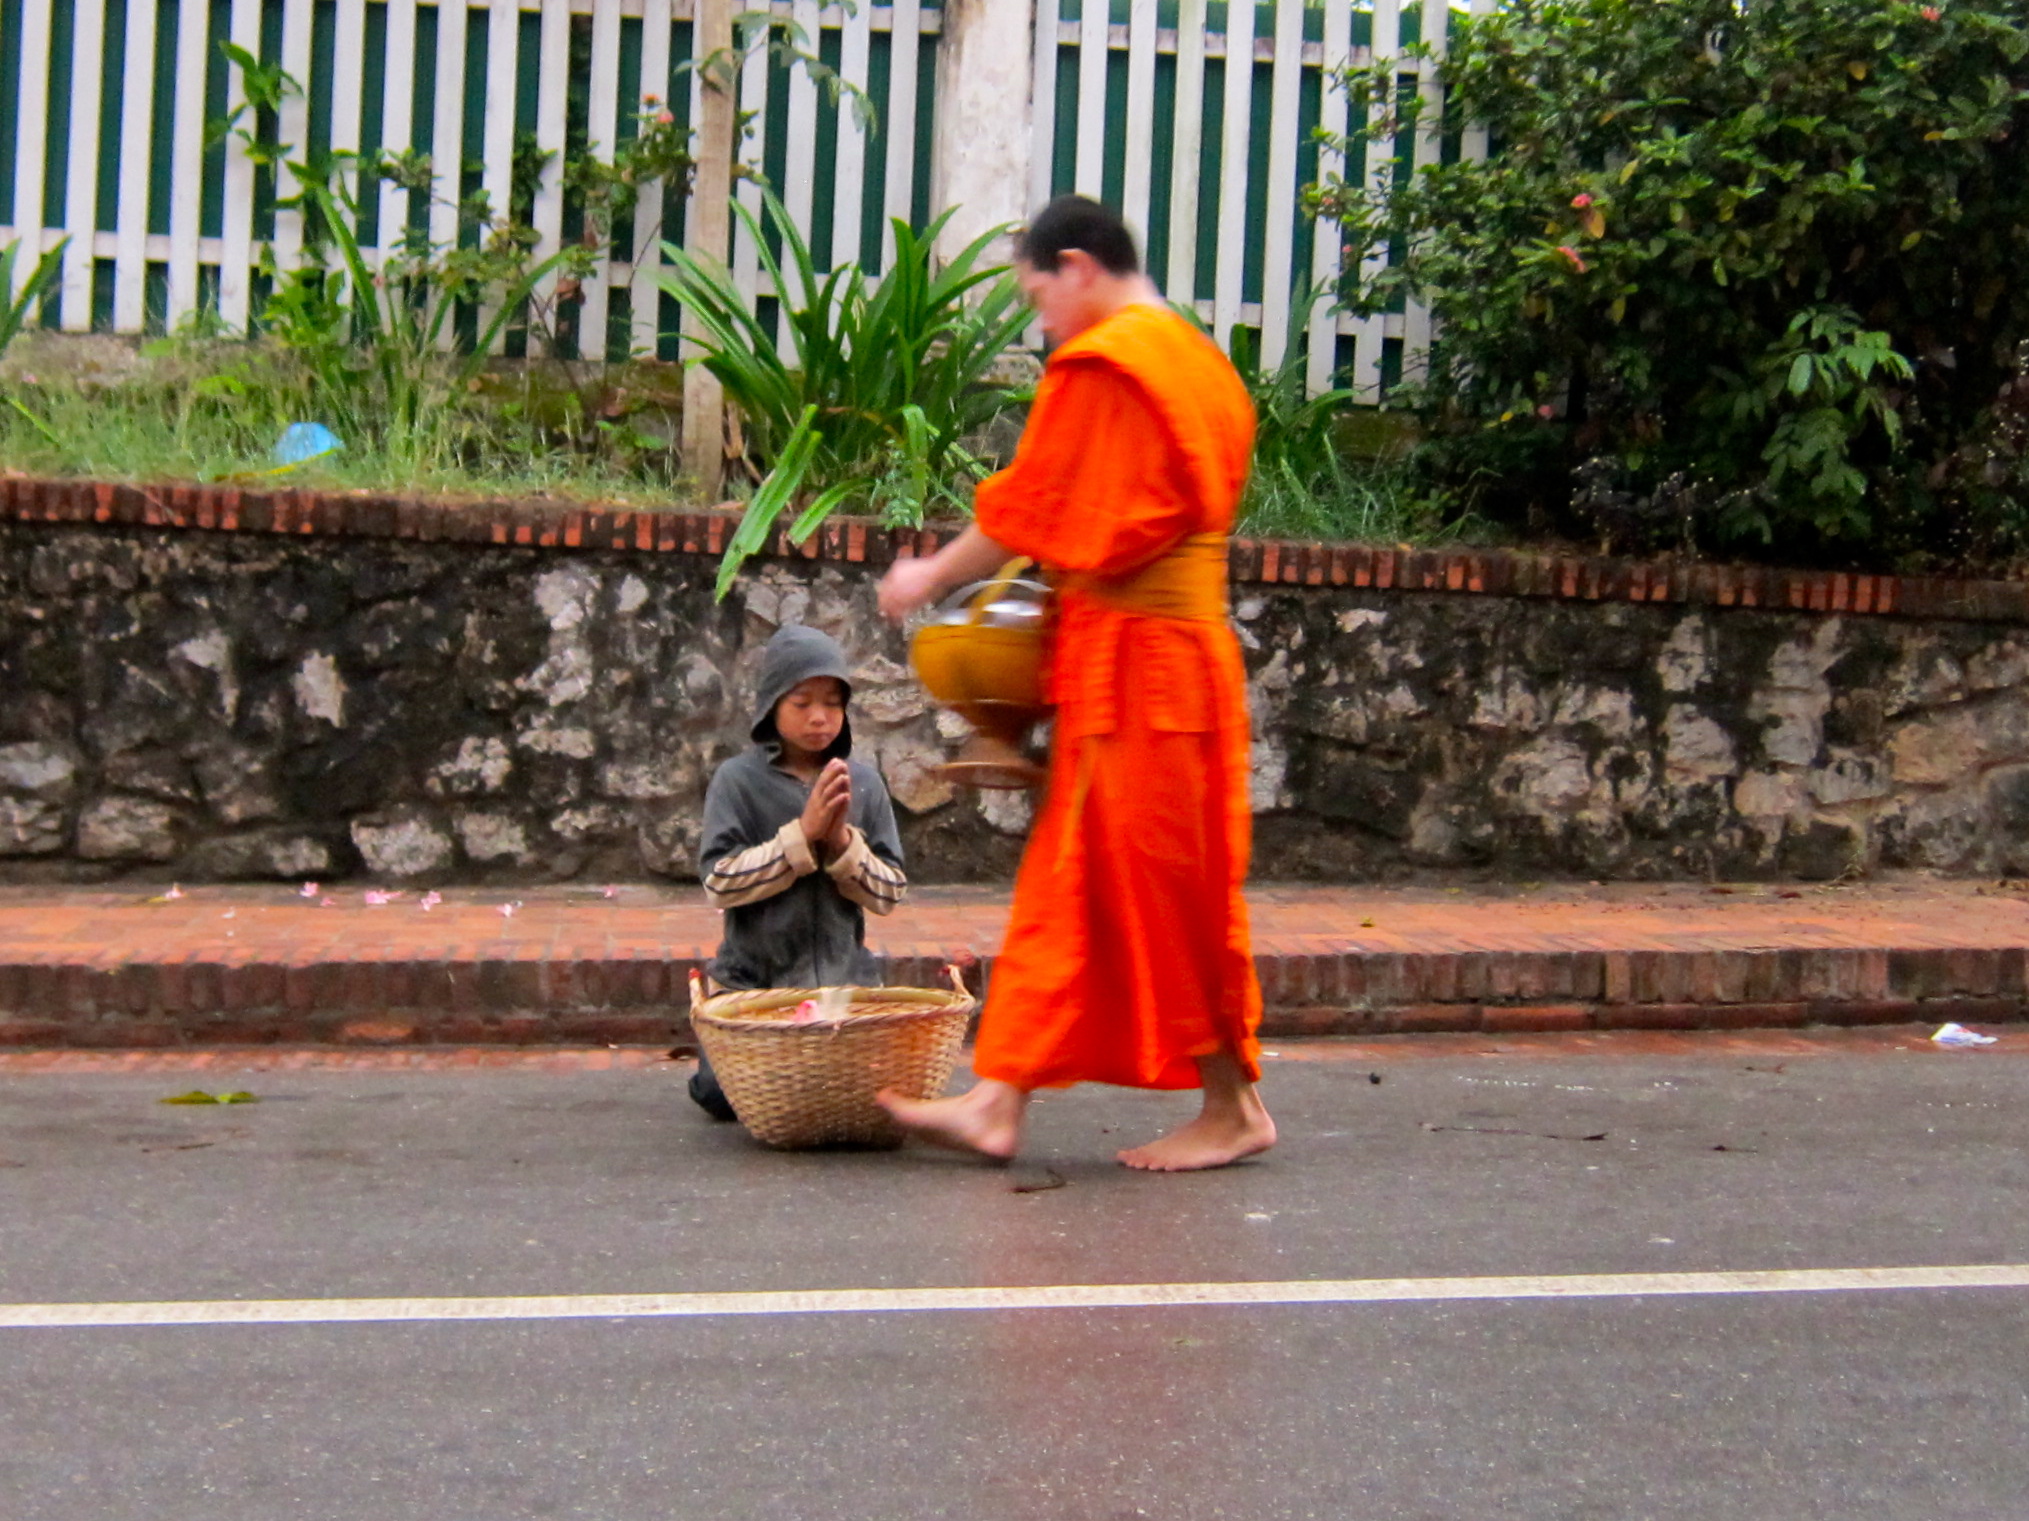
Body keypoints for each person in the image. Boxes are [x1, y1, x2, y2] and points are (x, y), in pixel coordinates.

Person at [875, 194, 1274, 1172]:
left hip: (1148, 667)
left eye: (1036, 297)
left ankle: (1234, 1107)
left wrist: (929, 576)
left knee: (1162, 890)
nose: (1040, 322)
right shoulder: (1200, 364)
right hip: (1166, 661)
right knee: (1072, 881)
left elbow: (1032, 507)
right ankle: (996, 1101)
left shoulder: (1112, 363)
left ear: (1078, 267)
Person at [690, 624, 909, 1120]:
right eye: (802, 702)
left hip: (844, 988)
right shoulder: (737, 780)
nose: (819, 717)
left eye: (832, 703)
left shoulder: (864, 783)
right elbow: (719, 882)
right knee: (723, 1095)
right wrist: (802, 837)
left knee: (869, 1094)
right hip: (754, 988)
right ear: (772, 705)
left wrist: (842, 844)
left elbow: (890, 892)